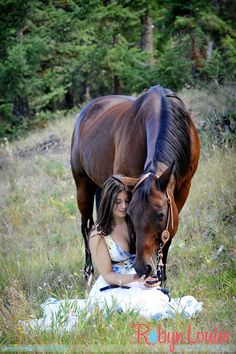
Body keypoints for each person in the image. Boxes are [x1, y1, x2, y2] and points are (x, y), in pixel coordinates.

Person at [24, 177, 202, 332]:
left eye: (126, 200)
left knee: (158, 305)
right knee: (136, 310)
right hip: (114, 286)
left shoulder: (134, 222)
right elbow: (108, 275)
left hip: (138, 281)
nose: (124, 206)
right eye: (117, 202)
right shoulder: (98, 234)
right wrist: (136, 279)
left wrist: (149, 277)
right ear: (108, 201)